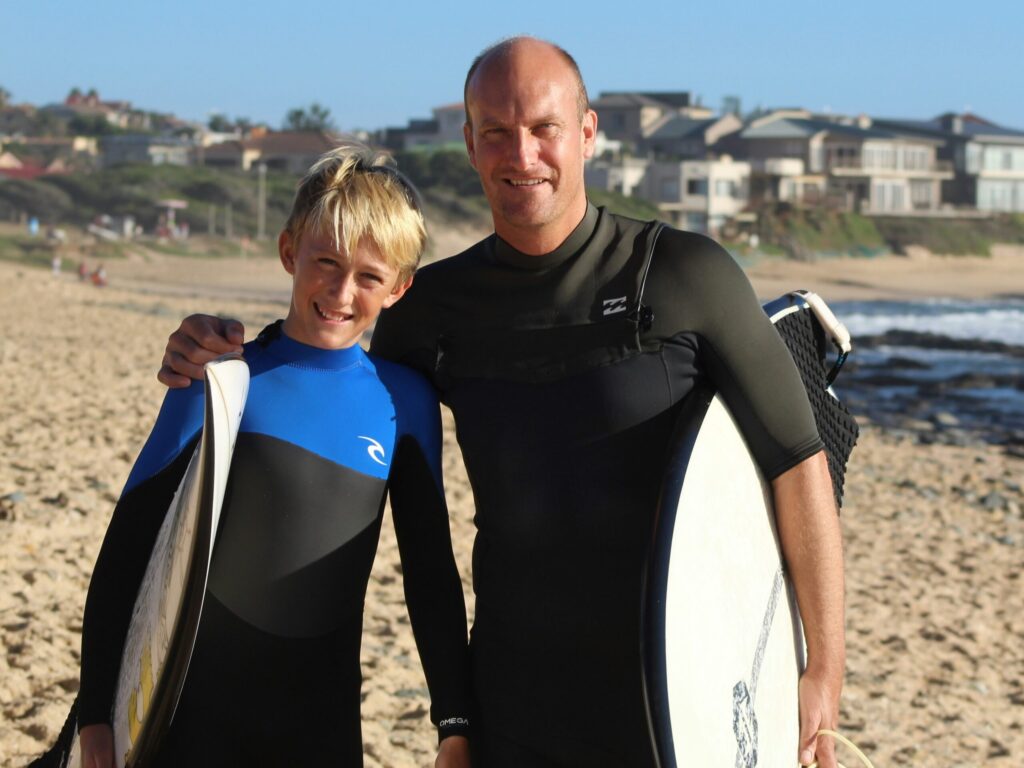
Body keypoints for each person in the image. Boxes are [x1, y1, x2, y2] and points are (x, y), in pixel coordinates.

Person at [158, 37, 845, 768]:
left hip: (677, 681)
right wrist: (215, 352)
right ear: (470, 144)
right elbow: (331, 383)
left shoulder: (681, 272)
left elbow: (796, 460)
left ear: (586, 133)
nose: (522, 155)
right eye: (496, 133)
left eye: (544, 128)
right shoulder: (433, 310)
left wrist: (822, 670)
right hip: (515, 694)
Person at [64, 145, 473, 767]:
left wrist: (453, 723)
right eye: (325, 262)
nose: (341, 291)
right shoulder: (222, 379)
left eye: (368, 276)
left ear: (399, 287)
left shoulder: (405, 402)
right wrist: (95, 714)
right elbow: (129, 541)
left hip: (320, 723)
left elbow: (429, 572)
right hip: (190, 714)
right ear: (289, 253)